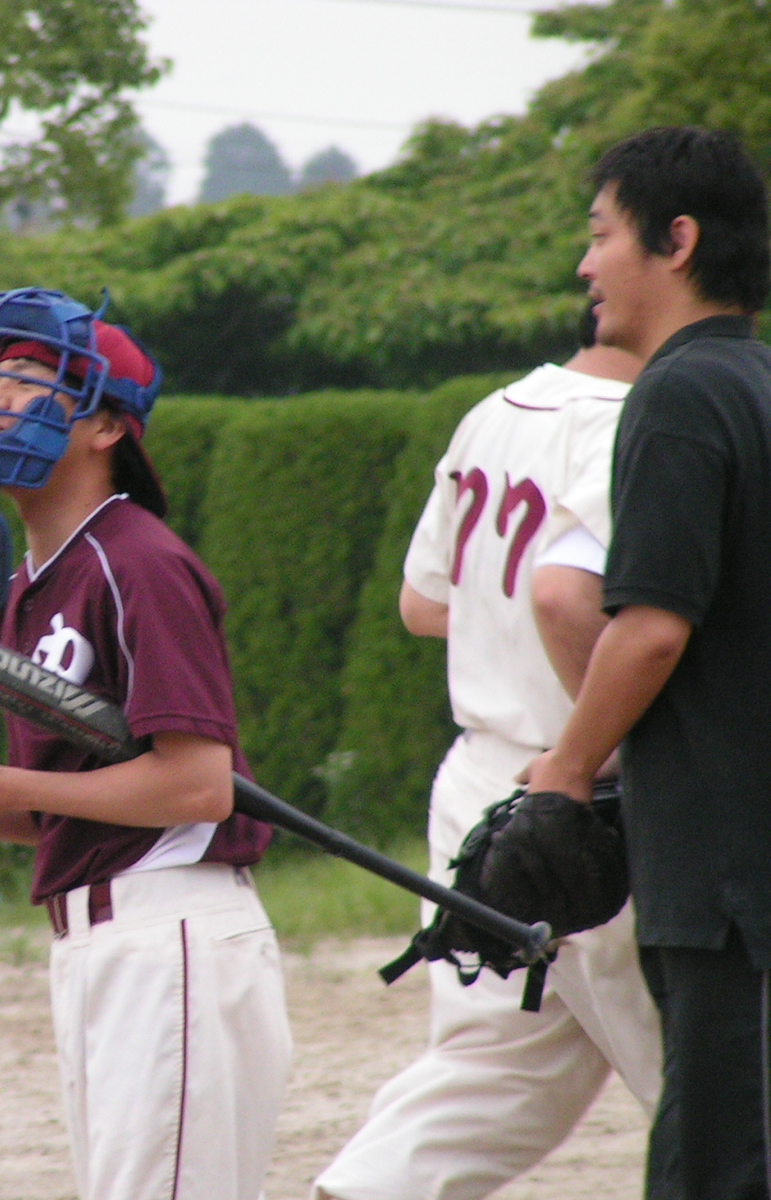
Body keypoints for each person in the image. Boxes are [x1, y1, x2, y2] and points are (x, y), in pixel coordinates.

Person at [0, 287, 291, 1200]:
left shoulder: (139, 561)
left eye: (25, 379)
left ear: (105, 426)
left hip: (170, 939)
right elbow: (77, 809)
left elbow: (198, 787)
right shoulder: (31, 586)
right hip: (96, 948)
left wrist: (6, 783)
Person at [313, 303, 664, 1200]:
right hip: (589, 788)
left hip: (477, 790)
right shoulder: (643, 423)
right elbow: (564, 599)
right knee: (708, 1081)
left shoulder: (496, 412)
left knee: (490, 1073)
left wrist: (503, 625)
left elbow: (422, 602)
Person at [523, 126, 771, 1200]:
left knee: (714, 1163)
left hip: (724, 879)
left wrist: (566, 770)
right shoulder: (757, 380)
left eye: (599, 235)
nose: (585, 265)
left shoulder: (674, 396)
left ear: (677, 240)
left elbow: (651, 625)